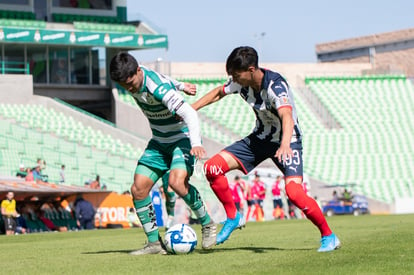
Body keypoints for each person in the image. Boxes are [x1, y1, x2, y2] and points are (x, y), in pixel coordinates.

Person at [192, 46, 340, 252]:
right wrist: (191, 109)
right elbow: (218, 92)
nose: (233, 79)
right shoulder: (240, 83)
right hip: (259, 140)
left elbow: (287, 116)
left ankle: (328, 236)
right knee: (212, 168)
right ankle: (233, 216)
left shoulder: (275, 86)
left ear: (251, 70)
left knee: (294, 193)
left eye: (236, 74)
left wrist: (286, 144)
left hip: (288, 142)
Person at [109, 52, 216, 255]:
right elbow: (164, 77)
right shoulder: (139, 77)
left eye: (131, 83)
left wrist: (195, 143)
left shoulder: (157, 89)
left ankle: (208, 223)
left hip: (182, 139)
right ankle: (154, 245)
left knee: (176, 183)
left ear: (138, 71)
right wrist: (181, 85)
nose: (129, 88)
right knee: (139, 188)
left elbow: (190, 113)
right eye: (124, 85)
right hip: (159, 141)